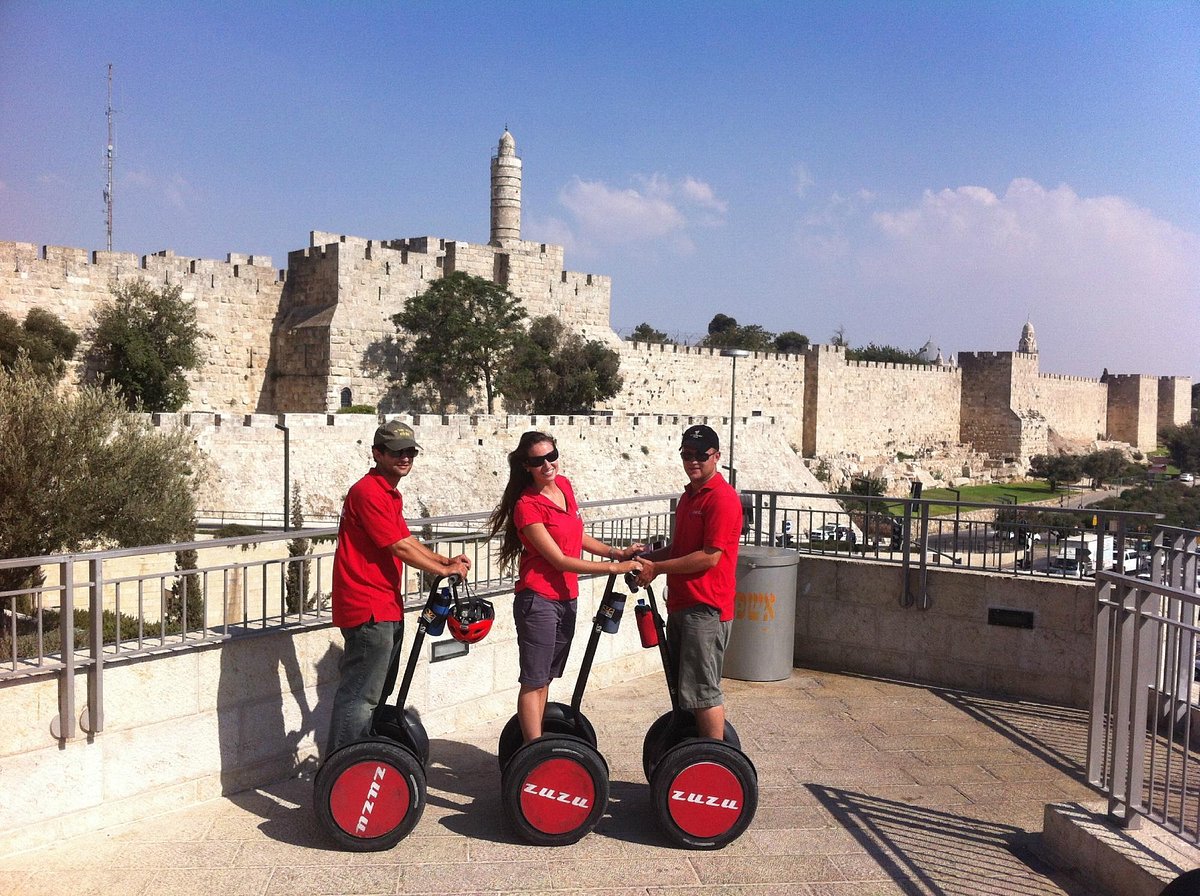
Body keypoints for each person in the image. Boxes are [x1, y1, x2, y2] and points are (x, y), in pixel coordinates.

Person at [325, 419, 471, 756]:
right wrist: (441, 569)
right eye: (395, 452)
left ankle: (361, 760)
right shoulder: (367, 492)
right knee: (360, 695)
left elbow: (407, 539)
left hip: (385, 603)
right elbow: (398, 547)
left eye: (409, 452)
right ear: (377, 453)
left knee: (376, 692)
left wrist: (446, 562)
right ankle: (343, 770)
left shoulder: (390, 493)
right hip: (368, 606)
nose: (404, 458)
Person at [488, 431, 643, 742]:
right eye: (538, 460)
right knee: (534, 680)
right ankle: (533, 752)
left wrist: (617, 551)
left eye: (551, 455)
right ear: (526, 466)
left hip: (567, 598)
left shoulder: (565, 487)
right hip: (539, 599)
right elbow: (558, 559)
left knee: (545, 678)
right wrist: (616, 567)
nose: (547, 464)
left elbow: (576, 537)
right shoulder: (527, 506)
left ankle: (538, 743)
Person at [635, 424, 742, 740]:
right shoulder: (688, 498)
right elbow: (681, 551)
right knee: (686, 691)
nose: (693, 461)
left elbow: (710, 557)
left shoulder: (721, 499)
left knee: (702, 690)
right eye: (686, 454)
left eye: (700, 455)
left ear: (716, 456)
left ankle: (713, 765)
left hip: (705, 609)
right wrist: (647, 559)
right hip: (682, 605)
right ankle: (693, 754)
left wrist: (658, 569)